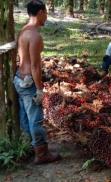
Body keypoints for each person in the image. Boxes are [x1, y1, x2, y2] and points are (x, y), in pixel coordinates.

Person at [13, 0, 61, 164]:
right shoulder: (35, 35)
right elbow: (34, 66)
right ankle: (41, 153)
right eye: (46, 12)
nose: (46, 16)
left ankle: (30, 147)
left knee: (25, 116)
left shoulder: (23, 31)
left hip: (19, 79)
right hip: (28, 82)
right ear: (40, 12)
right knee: (36, 118)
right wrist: (39, 89)